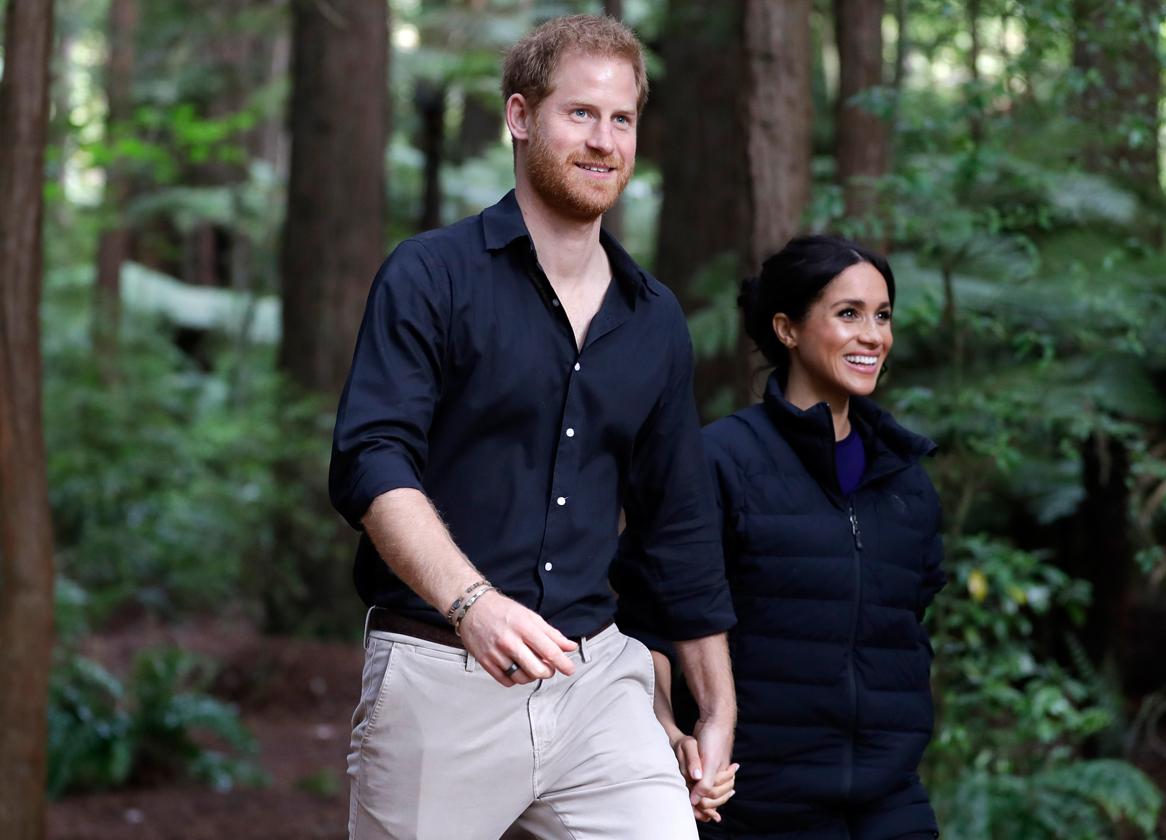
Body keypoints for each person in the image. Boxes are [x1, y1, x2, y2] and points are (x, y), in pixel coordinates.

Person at [328, 15, 736, 840]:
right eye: (579, 113)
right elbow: (371, 460)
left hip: (597, 681)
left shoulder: (653, 319)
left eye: (621, 119)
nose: (604, 140)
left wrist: (718, 705)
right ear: (520, 117)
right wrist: (471, 603)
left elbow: (678, 523)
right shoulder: (431, 274)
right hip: (439, 671)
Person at [616, 235, 947, 839]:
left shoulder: (906, 479)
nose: (872, 335)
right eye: (848, 314)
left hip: (889, 799)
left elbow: (906, 624)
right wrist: (671, 732)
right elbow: (648, 621)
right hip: (752, 803)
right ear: (787, 329)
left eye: (883, 315)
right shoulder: (719, 462)